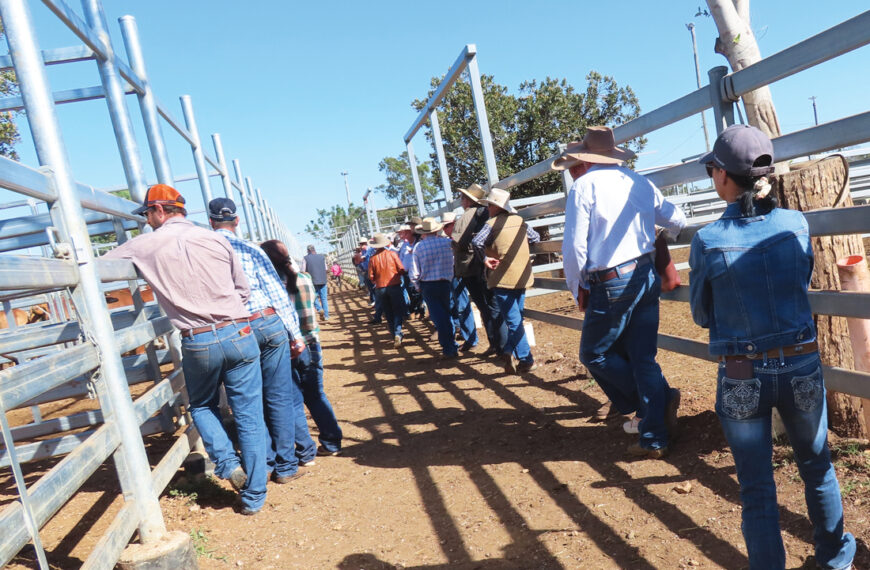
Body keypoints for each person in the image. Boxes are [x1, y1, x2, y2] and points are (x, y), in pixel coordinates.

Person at [689, 124, 855, 570]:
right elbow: (800, 283)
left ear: (723, 175)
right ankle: (835, 556)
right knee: (817, 465)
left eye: (712, 169)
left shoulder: (706, 241)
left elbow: (702, 315)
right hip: (800, 362)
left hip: (742, 369)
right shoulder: (795, 224)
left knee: (756, 486)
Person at [103, 185, 267, 515]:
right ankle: (254, 496)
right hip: (240, 329)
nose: (148, 220)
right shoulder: (216, 239)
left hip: (199, 338)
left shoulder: (145, 245)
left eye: (148, 214)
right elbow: (243, 290)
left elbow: (95, 268)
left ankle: (226, 462)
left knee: (203, 405)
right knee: (249, 413)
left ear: (161, 211)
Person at [207, 197, 310, 489]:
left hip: (236, 328)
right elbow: (276, 294)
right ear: (236, 221)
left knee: (249, 399)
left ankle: (261, 464)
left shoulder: (205, 253)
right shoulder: (251, 248)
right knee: (279, 395)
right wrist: (296, 335)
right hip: (267, 322)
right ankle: (286, 466)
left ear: (211, 222)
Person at [262, 240, 344, 457]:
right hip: (311, 341)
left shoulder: (272, 285)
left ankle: (304, 448)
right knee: (316, 394)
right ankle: (332, 440)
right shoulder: (305, 279)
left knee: (292, 398)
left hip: (287, 346)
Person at [471, 188, 540, 374]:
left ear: (494, 207)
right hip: (522, 276)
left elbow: (476, 242)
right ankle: (509, 351)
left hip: (501, 277)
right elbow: (536, 238)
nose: (488, 208)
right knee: (516, 316)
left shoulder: (491, 224)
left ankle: (526, 359)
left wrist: (485, 259)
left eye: (489, 205)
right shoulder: (519, 221)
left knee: (512, 319)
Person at [452, 183, 501, 356]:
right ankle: (499, 343)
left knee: (484, 306)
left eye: (462, 197)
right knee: (491, 305)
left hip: (469, 267)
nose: (460, 200)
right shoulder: (485, 214)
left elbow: (456, 243)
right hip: (484, 264)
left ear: (467, 200)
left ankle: (495, 343)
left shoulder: (465, 217)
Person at [409, 217, 457, 360]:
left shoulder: (419, 247)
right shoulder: (448, 243)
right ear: (437, 230)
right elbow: (455, 261)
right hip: (445, 283)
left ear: (423, 232)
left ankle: (448, 347)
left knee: (438, 316)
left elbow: (414, 271)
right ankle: (451, 344)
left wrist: (417, 286)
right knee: (446, 313)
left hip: (428, 284)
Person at [442, 212, 476, 351]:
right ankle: (466, 334)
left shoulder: (458, 240)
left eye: (447, 226)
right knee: (457, 304)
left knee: (461, 305)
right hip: (457, 274)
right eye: (443, 227)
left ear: (454, 225)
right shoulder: (450, 241)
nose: (444, 229)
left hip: (459, 274)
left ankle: (470, 338)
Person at [366, 233, 407, 348]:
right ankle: (398, 332)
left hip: (380, 287)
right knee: (397, 310)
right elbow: (401, 268)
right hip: (394, 285)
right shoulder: (392, 254)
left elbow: (371, 276)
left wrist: (376, 281)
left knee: (388, 312)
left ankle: (394, 334)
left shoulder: (373, 258)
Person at [303, 245, 330, 321]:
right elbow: (326, 268)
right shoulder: (322, 257)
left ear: (308, 251)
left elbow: (303, 271)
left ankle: (319, 308)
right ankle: (326, 315)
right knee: (324, 298)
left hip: (312, 281)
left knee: (313, 297)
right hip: (323, 280)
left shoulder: (305, 258)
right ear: (314, 250)